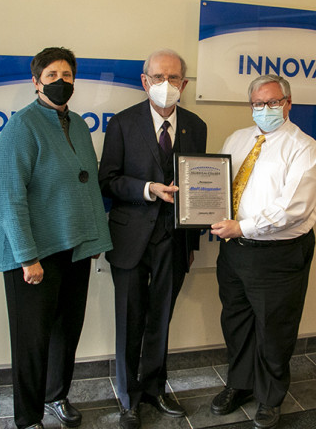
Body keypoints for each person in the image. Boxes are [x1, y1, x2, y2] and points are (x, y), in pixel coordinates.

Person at [0, 47, 112, 429]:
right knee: (32, 342)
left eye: (67, 75)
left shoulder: (80, 125)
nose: (61, 82)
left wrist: (91, 242)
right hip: (33, 254)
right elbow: (10, 198)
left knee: (66, 333)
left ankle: (57, 395)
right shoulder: (20, 127)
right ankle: (27, 418)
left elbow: (85, 188)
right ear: (36, 81)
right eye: (52, 75)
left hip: (73, 248)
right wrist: (27, 258)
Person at [210, 74, 316, 429]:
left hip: (278, 256)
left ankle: (270, 397)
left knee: (275, 330)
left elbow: (294, 208)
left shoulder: (304, 148)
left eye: (273, 102)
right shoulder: (237, 139)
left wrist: (241, 227)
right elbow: (214, 183)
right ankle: (241, 384)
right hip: (234, 252)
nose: (265, 109)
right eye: (258, 104)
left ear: (288, 103)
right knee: (236, 321)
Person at [98, 49, 207, 429]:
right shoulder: (122, 124)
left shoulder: (196, 125)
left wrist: (192, 245)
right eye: (158, 77)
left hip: (174, 242)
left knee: (161, 319)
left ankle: (155, 388)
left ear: (184, 84)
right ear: (144, 82)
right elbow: (107, 180)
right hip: (129, 240)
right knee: (129, 320)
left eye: (173, 78)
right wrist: (147, 188)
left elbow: (200, 190)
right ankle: (129, 399)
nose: (166, 85)